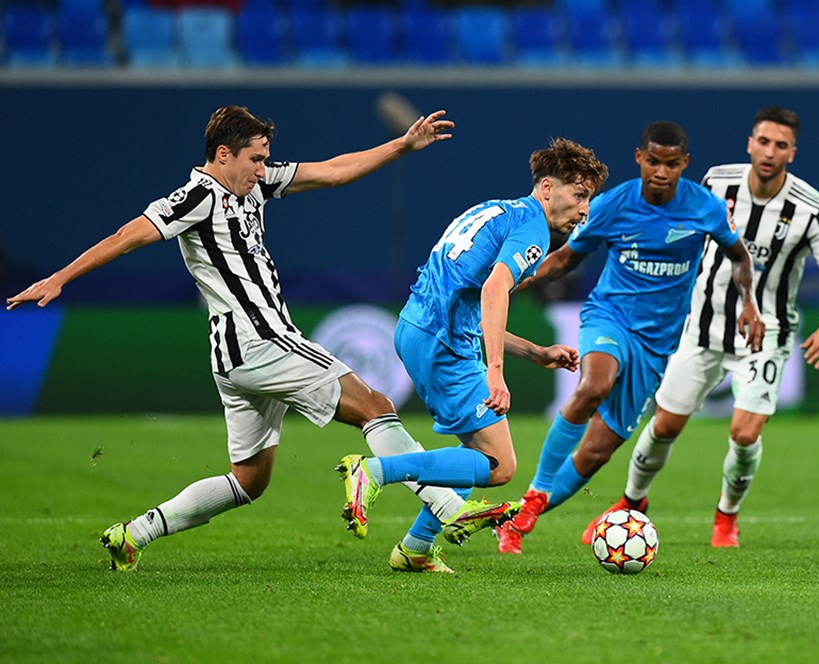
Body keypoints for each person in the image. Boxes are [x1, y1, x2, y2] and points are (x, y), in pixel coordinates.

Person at [4, 104, 472, 571]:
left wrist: (401, 145)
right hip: (261, 341)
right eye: (256, 159)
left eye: (265, 159)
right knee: (375, 406)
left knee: (249, 480)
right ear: (224, 154)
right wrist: (60, 278)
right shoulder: (196, 196)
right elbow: (129, 235)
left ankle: (133, 535)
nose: (263, 169)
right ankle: (452, 509)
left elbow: (332, 172)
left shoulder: (255, 185)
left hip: (235, 359)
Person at [583, 106, 819, 548]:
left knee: (745, 434)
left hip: (765, 335)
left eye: (780, 145)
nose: (769, 152)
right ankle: (631, 503)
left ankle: (726, 516)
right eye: (763, 142)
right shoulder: (716, 182)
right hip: (702, 327)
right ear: (750, 143)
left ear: (792, 152)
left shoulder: (811, 209)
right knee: (664, 426)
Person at [338, 138, 609, 572]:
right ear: (546, 188)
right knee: (500, 466)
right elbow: (494, 289)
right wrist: (496, 372)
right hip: (444, 342)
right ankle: (373, 472)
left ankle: (416, 548)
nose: (584, 211)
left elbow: (478, 310)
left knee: (474, 454)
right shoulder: (533, 230)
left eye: (588, 199)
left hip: (416, 327)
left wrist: (536, 353)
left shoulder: (496, 210)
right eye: (579, 195)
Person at [495, 121, 765, 555]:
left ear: (684, 164)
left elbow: (739, 256)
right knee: (594, 385)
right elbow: (564, 259)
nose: (661, 171)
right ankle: (535, 495)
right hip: (610, 318)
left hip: (657, 343)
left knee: (596, 452)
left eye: (671, 164)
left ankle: (512, 523)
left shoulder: (705, 208)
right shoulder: (612, 205)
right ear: (639, 158)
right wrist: (510, 285)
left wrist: (749, 302)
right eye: (653, 161)